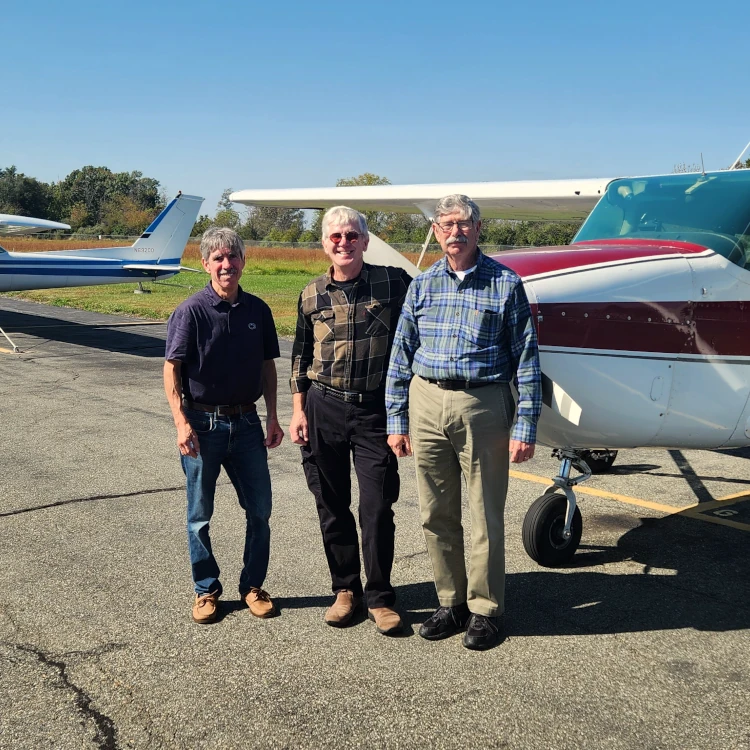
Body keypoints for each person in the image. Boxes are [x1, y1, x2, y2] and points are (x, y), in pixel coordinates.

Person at [385, 194, 541, 650]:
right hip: (428, 401)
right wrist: (397, 418)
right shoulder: (424, 284)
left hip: (483, 404)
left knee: (484, 515)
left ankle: (486, 610)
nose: (455, 232)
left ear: (478, 228)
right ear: (436, 230)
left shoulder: (505, 284)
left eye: (464, 224)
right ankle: (450, 602)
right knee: (436, 513)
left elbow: (527, 360)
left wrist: (526, 425)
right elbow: (401, 354)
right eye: (446, 224)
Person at [289, 206, 411, 635]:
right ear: (325, 243)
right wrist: (298, 409)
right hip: (324, 406)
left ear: (365, 240)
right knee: (331, 503)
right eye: (335, 236)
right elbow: (300, 356)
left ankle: (379, 596)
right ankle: (345, 590)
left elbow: (426, 318)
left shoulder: (393, 283)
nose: (344, 243)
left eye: (352, 235)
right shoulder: (310, 294)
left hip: (375, 409)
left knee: (377, 506)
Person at [164, 227, 284, 624]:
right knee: (199, 513)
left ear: (243, 262)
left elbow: (268, 366)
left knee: (261, 509)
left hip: (247, 423)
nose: (226, 265)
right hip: (202, 423)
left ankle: (252, 585)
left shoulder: (257, 311)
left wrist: (272, 416)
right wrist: (182, 422)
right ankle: (206, 589)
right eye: (217, 258)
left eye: (232, 257)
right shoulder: (191, 311)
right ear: (205, 264)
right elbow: (172, 368)